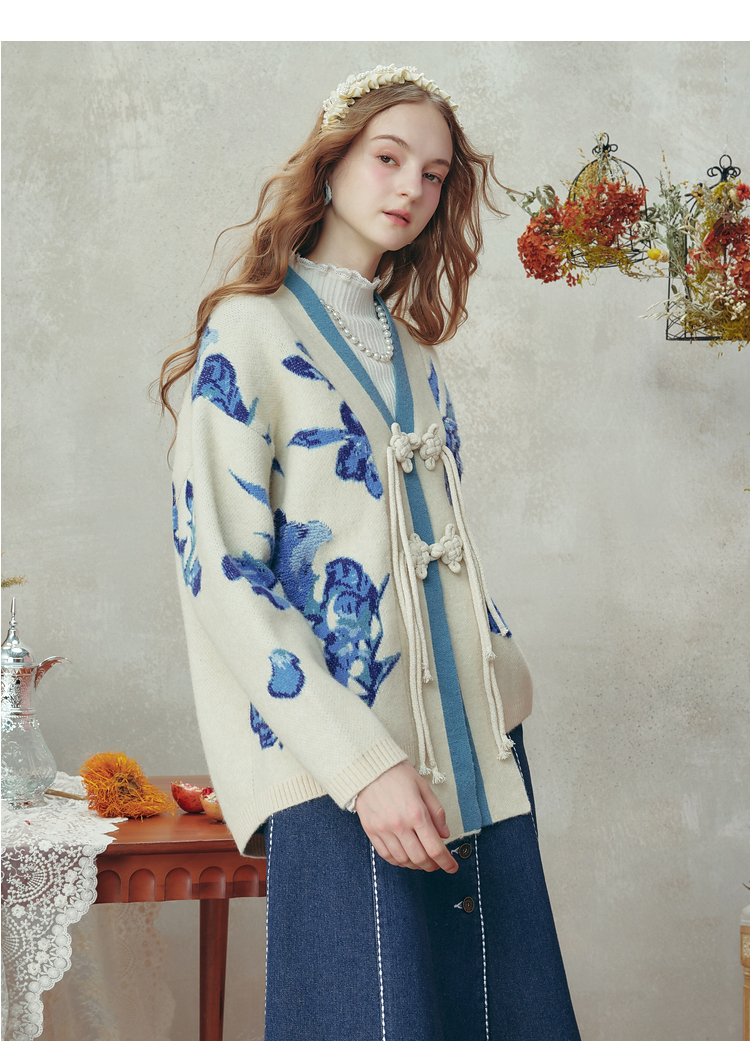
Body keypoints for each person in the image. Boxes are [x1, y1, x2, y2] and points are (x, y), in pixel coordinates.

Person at [159, 63, 580, 1042]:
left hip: (476, 753)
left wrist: (503, 684)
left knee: (504, 1026)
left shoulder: (414, 355)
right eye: (388, 158)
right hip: (340, 764)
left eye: (432, 175)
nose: (410, 189)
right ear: (333, 161)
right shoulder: (249, 331)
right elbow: (223, 575)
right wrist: (363, 767)